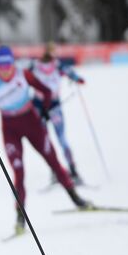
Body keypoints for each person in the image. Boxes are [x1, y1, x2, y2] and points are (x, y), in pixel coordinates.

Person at [0, 45, 92, 234]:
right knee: (18, 171)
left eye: (8, 64)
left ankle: (76, 199)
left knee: (53, 161)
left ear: (12, 63)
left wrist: (44, 109)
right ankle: (20, 217)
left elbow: (47, 91)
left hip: (32, 123)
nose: (5, 69)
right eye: (1, 65)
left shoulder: (23, 74)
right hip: (10, 129)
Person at [30, 42, 86, 185]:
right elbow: (23, 78)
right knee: (47, 141)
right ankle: (56, 172)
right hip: (40, 108)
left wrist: (77, 79)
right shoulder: (35, 66)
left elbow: (70, 73)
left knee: (60, 139)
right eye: (51, 52)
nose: (52, 55)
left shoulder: (57, 65)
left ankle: (72, 170)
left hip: (53, 107)